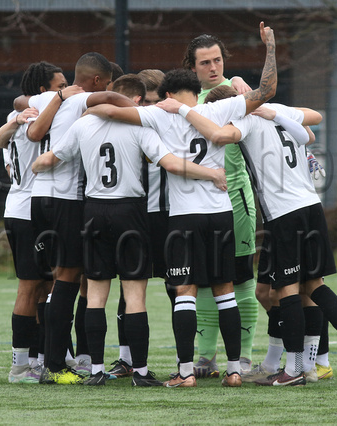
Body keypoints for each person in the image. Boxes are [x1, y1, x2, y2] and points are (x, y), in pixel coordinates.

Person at [84, 21, 278, 388]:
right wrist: (270, 47)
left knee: (185, 293)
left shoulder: (159, 115)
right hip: (221, 213)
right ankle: (236, 368)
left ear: (170, 93)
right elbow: (267, 89)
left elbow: (111, 111)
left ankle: (186, 372)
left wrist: (83, 104)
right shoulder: (223, 109)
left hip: (184, 217)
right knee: (226, 290)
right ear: (195, 83)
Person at [167, 84, 337, 387]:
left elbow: (217, 135)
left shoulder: (246, 120)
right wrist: (277, 111)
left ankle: (294, 370)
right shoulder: (278, 113)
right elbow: (312, 127)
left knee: (288, 289)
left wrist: (182, 110)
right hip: (312, 208)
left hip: (283, 214)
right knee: (312, 285)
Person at [32, 73, 228, 387]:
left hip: (93, 210)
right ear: (134, 101)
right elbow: (173, 164)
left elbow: (48, 159)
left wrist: (36, 168)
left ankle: (96, 371)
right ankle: (139, 372)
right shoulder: (140, 127)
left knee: (95, 294)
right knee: (135, 294)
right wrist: (212, 174)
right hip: (131, 213)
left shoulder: (82, 125)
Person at [26, 52, 136, 385]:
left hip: (38, 196)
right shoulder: (81, 98)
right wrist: (135, 108)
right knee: (68, 279)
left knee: (55, 280)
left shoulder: (50, 97)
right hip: (65, 199)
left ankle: (48, 358)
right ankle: (57, 366)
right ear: (98, 81)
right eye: (109, 84)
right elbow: (108, 98)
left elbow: (23, 105)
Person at [182, 33, 258, 377]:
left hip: (236, 198)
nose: (213, 68)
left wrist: (241, 81)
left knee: (240, 279)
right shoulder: (184, 98)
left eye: (218, 60)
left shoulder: (238, 92)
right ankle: (206, 357)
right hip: (197, 204)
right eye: (205, 62)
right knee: (201, 281)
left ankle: (243, 356)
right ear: (192, 67)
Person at [0, 61, 70, 384]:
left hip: (19, 207)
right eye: (60, 85)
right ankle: (20, 366)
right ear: (43, 90)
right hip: (29, 212)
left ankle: (42, 359)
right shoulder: (39, 116)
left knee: (45, 286)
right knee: (30, 286)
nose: (65, 91)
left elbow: (0, 142)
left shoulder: (16, 117)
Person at [107, 69, 168, 379]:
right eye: (145, 102)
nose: (149, 109)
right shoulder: (125, 124)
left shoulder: (167, 123)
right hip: (133, 213)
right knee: (127, 287)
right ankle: (126, 358)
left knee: (179, 287)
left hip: (165, 215)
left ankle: (190, 361)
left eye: (155, 102)